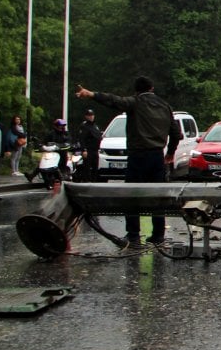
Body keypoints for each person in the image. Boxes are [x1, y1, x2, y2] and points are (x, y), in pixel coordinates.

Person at [76, 77, 181, 247]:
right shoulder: (165, 106)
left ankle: (133, 236)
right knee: (158, 196)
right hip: (156, 156)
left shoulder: (135, 102)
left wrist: (91, 94)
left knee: (131, 195)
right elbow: (176, 133)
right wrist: (170, 152)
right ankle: (158, 235)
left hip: (137, 156)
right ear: (152, 88)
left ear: (136, 91)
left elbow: (113, 100)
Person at [76, 108, 103, 181]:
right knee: (87, 168)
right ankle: (86, 181)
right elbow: (82, 139)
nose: (91, 117)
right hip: (88, 150)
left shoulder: (95, 126)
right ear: (86, 116)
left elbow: (98, 136)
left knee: (95, 167)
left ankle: (93, 181)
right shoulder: (84, 126)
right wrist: (84, 150)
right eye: (89, 115)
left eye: (92, 115)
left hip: (95, 150)